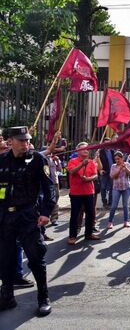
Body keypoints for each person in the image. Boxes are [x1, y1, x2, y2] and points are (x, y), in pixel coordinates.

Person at [0, 126, 56, 316]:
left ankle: (43, 297)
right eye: (21, 140)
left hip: (27, 215)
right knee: (5, 259)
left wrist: (47, 212)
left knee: (35, 258)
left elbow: (49, 188)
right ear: (10, 141)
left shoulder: (37, 159)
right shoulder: (2, 160)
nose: (26, 143)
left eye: (27, 140)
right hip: (5, 217)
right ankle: (7, 296)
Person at [67, 142, 101, 245]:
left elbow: (95, 176)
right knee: (75, 215)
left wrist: (87, 179)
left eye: (87, 149)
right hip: (76, 193)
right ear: (78, 151)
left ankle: (89, 233)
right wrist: (82, 164)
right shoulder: (72, 161)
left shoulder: (91, 162)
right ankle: (72, 236)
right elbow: (72, 171)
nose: (86, 150)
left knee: (90, 214)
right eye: (84, 149)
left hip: (89, 192)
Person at [107, 151, 130, 229]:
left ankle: (126, 221)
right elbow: (112, 176)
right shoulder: (113, 166)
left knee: (125, 205)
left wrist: (125, 168)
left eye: (118, 159)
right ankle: (110, 222)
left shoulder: (127, 164)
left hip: (126, 187)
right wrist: (119, 168)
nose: (117, 161)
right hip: (116, 188)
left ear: (122, 158)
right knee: (114, 206)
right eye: (115, 159)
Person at [98, 140, 114, 209]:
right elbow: (97, 162)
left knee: (111, 188)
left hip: (112, 172)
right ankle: (104, 202)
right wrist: (100, 170)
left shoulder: (112, 151)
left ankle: (110, 202)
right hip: (104, 172)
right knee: (103, 188)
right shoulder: (100, 152)